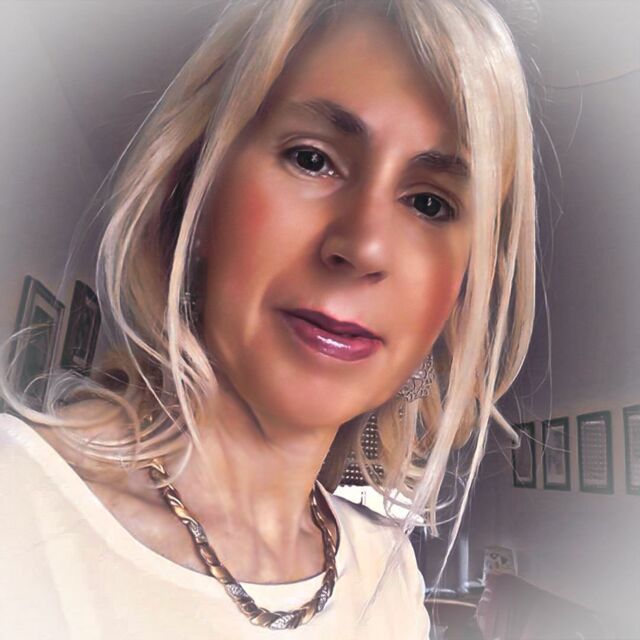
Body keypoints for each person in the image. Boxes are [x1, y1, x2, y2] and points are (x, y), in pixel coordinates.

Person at [0, 0, 537, 637]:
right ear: (192, 193)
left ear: (458, 294)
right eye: (312, 159)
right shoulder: (18, 507)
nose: (364, 246)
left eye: (429, 203)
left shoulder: (391, 577)